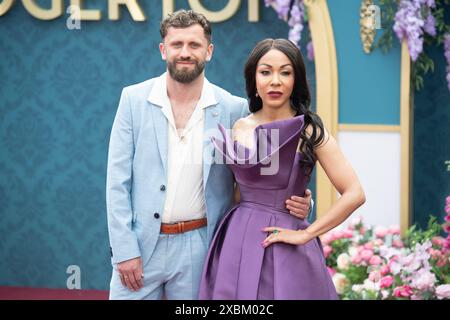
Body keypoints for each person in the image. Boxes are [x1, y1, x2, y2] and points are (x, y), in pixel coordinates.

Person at [106, 10, 313, 300]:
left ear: (209, 51)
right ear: (163, 49)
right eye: (177, 45)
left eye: (194, 45)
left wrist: (301, 202)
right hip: (141, 247)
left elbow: (269, 178)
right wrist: (124, 249)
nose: (185, 52)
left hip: (201, 247)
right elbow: (117, 183)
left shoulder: (235, 110)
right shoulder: (133, 100)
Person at [198, 38, 366, 300]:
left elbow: (355, 192)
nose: (275, 81)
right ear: (254, 79)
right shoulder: (241, 126)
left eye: (285, 72)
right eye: (266, 72)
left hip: (286, 243)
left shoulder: (309, 129)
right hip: (235, 240)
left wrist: (307, 233)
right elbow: (239, 192)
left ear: (295, 80)